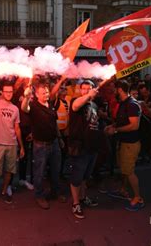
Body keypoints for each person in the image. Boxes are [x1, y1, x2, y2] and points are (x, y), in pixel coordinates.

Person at [21, 80, 62, 210]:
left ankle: (54, 192)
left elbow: (54, 123)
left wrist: (59, 138)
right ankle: (39, 196)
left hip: (54, 143)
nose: (46, 94)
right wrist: (27, 97)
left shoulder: (50, 105)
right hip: (41, 145)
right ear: (37, 95)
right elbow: (24, 108)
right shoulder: (33, 106)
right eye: (43, 92)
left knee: (56, 170)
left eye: (47, 92)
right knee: (39, 172)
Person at [105, 80, 144, 211]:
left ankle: (138, 198)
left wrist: (116, 130)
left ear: (120, 90)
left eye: (114, 89)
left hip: (130, 144)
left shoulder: (132, 104)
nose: (113, 91)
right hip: (124, 142)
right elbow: (123, 121)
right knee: (124, 169)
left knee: (129, 171)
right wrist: (113, 126)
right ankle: (123, 190)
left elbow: (134, 125)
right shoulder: (124, 103)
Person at [0, 81, 25, 204]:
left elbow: (17, 128)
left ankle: (4, 191)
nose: (8, 94)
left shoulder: (15, 108)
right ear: (2, 93)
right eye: (6, 91)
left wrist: (21, 146)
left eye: (10, 91)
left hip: (12, 144)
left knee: (9, 170)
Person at [68, 80, 101, 218]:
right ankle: (76, 204)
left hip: (91, 147)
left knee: (85, 177)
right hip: (79, 147)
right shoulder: (76, 101)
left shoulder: (94, 104)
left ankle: (82, 198)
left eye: (89, 88)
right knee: (76, 176)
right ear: (80, 90)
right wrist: (88, 96)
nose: (86, 91)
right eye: (84, 89)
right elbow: (75, 106)